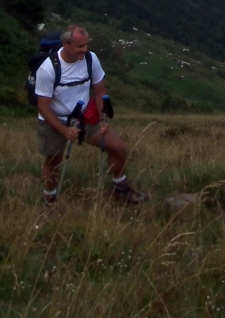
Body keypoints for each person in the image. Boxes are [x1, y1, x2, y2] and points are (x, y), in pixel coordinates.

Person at [35, 25, 147, 205]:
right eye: (80, 46)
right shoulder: (47, 69)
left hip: (85, 116)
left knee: (118, 148)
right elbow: (43, 107)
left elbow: (100, 89)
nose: (85, 50)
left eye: (86, 45)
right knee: (52, 162)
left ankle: (120, 188)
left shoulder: (90, 59)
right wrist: (64, 131)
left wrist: (103, 119)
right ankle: (49, 200)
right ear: (65, 44)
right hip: (56, 121)